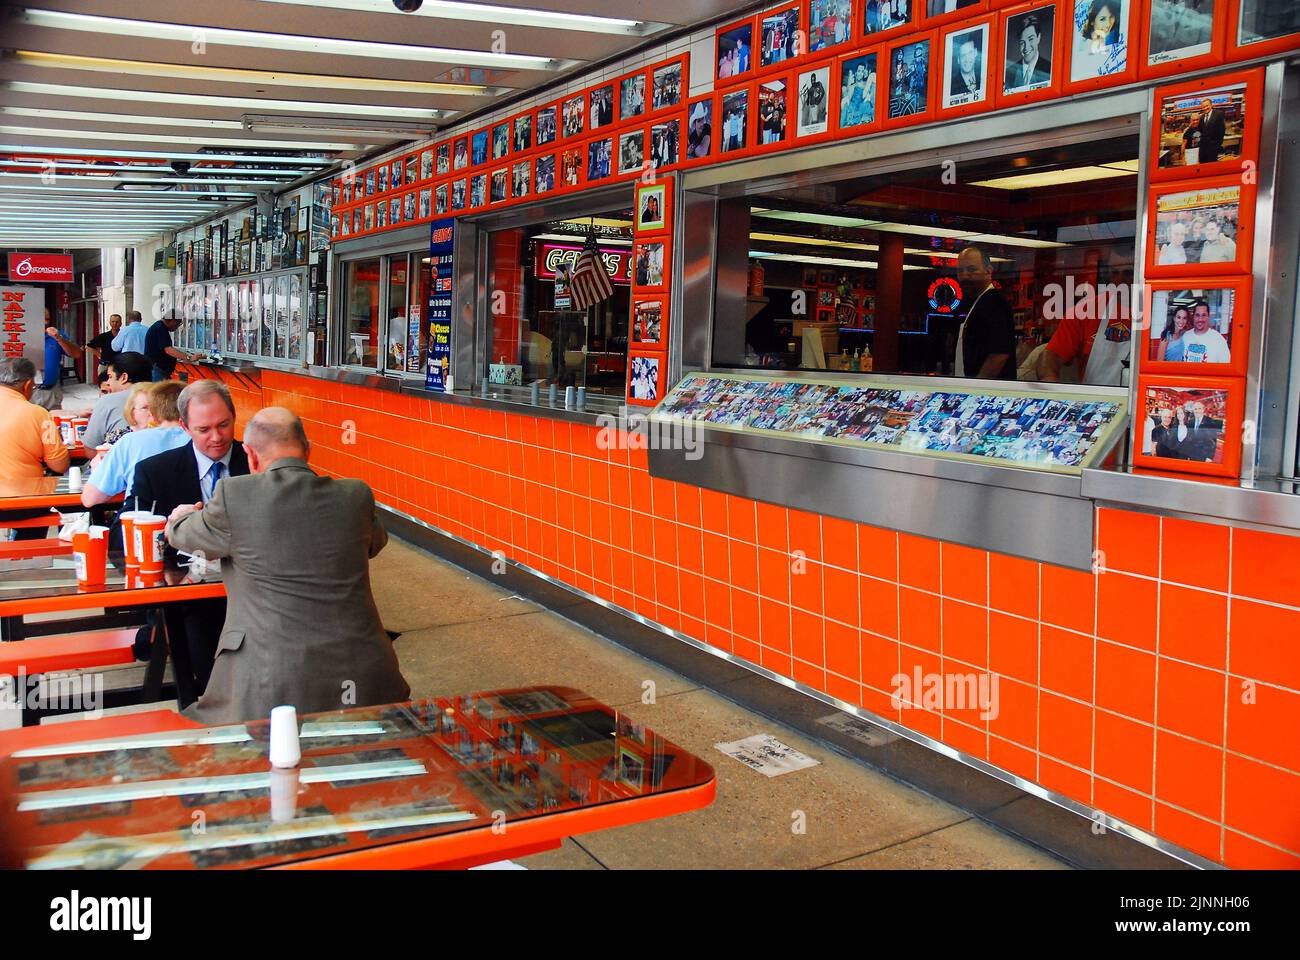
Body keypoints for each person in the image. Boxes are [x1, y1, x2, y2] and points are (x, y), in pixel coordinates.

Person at [166, 407, 410, 725]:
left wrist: (179, 517)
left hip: (270, 686)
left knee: (212, 743)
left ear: (250, 455)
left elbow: (183, 536)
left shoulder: (235, 495)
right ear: (308, 450)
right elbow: (374, 543)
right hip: (367, 676)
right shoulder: (354, 495)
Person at [132, 380, 249, 699]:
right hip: (193, 597)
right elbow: (123, 535)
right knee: (205, 643)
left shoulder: (256, 462)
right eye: (203, 429)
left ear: (234, 417)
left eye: (224, 425)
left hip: (256, 590)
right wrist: (165, 526)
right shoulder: (156, 472)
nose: (216, 437)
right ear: (184, 426)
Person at [80, 382, 189, 508]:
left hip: (143, 521)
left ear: (154, 413)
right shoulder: (203, 441)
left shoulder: (130, 442)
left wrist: (99, 469)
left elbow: (89, 499)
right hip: (196, 521)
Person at [0, 358, 69, 541]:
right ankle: (27, 555)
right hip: (23, 503)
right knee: (52, 493)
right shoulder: (37, 413)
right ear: (28, 384)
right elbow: (59, 465)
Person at [1039, 249, 1132, 385]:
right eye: (1115, 273)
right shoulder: (1085, 311)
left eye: (1128, 273)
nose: (1120, 281)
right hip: (1095, 401)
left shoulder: (1158, 312)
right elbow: (1051, 355)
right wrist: (1050, 382)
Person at [953, 246, 1016, 379]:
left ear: (988, 271)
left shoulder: (994, 302)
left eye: (971, 269)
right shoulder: (980, 301)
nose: (965, 275)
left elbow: (999, 354)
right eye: (960, 271)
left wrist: (977, 388)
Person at [81, 351, 151, 449]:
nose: (108, 382)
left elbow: (90, 449)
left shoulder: (108, 401)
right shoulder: (168, 397)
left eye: (110, 377)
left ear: (124, 378)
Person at [32, 314, 81, 412]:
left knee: (53, 423)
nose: (46, 322)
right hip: (29, 392)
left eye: (47, 319)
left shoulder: (57, 335)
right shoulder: (20, 336)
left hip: (51, 391)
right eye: (42, 319)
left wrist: (59, 338)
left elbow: (76, 354)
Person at [1006, 15, 1051, 89]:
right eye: (1022, 42)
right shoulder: (1008, 73)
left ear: (1038, 38)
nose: (1026, 47)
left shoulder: (1049, 69)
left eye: (1030, 39)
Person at [144, 314, 187, 381]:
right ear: (172, 321)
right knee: (159, 390)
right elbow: (168, 350)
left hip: (159, 368)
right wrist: (188, 357)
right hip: (157, 368)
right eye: (178, 324)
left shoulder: (160, 327)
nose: (177, 327)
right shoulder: (159, 328)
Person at [84, 314, 122, 383]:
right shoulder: (104, 336)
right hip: (105, 364)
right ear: (110, 323)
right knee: (103, 384)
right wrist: (99, 354)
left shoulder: (123, 335)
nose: (115, 324)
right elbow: (88, 346)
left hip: (119, 365)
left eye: (117, 322)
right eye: (113, 321)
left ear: (120, 323)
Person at [1197, 97, 1226, 164]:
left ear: (1211, 105)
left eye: (1207, 106)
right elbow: (1200, 131)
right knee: (1203, 164)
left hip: (1214, 147)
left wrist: (1217, 145)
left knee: (1212, 165)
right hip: (1203, 147)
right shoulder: (1202, 117)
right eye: (1203, 107)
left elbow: (1222, 130)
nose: (1205, 108)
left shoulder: (1218, 114)